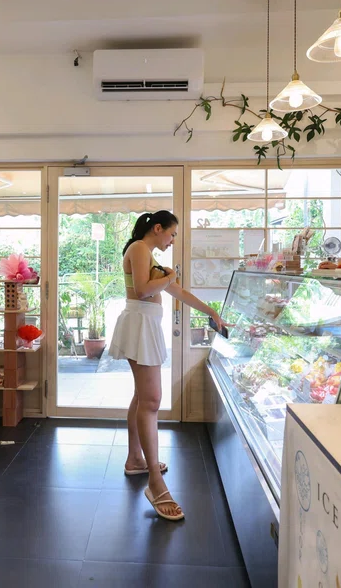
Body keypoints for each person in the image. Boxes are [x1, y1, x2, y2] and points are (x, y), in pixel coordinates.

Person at [110, 210, 227, 521]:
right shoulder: (138, 248)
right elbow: (144, 290)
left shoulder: (148, 255)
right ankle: (154, 481)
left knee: (142, 398)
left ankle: (136, 459)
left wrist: (211, 312)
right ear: (157, 228)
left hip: (144, 324)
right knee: (151, 401)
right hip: (139, 324)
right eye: (172, 234)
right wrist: (170, 275)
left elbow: (175, 292)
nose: (172, 240)